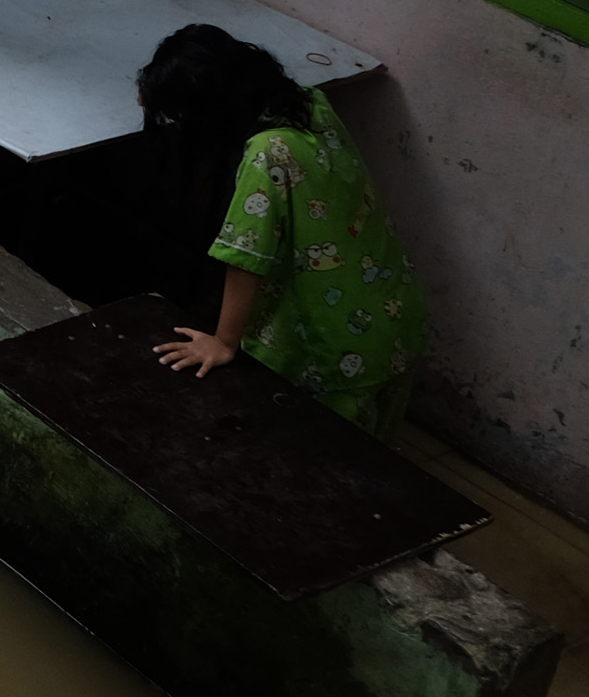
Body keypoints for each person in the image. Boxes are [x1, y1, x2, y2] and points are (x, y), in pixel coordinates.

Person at [147, 24, 430, 434]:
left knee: (328, 464)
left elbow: (246, 256)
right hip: (393, 313)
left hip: (336, 346)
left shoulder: (268, 154)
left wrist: (224, 342)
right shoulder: (310, 104)